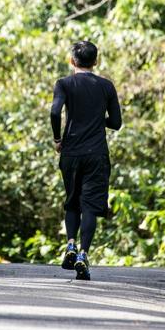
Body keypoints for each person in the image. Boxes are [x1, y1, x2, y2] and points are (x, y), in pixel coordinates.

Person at [50, 41, 122, 280]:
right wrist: (96, 118)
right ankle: (83, 254)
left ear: (72, 61)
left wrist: (58, 138)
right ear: (96, 61)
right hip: (96, 154)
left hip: (70, 153)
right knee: (90, 205)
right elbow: (116, 123)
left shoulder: (64, 84)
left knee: (72, 202)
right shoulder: (106, 86)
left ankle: (70, 244)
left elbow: (54, 111)